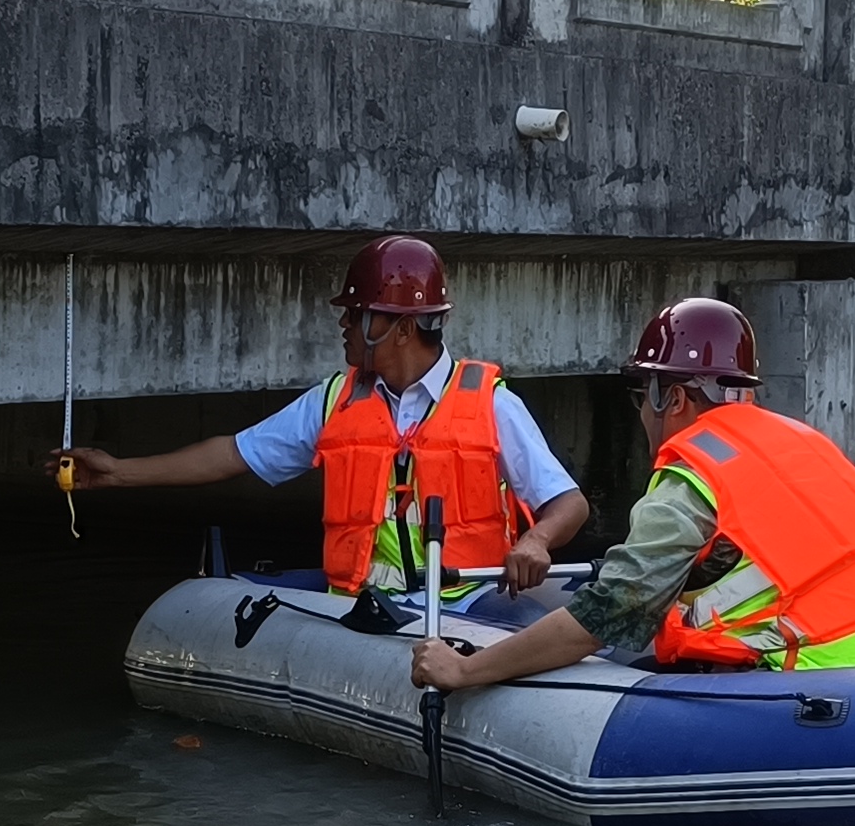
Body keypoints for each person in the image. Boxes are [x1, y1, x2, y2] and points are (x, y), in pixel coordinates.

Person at [410, 295, 855, 697]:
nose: (641, 412)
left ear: (669, 396)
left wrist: (465, 670)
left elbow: (604, 617)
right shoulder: (798, 441)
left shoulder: (691, 478)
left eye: (642, 394)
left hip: (819, 680)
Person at [58, 235, 590, 598]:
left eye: (357, 313)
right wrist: (119, 472)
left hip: (465, 611)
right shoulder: (335, 400)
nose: (344, 322)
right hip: (356, 613)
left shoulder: (493, 404)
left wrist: (536, 539)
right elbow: (232, 453)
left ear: (401, 328)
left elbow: (568, 503)